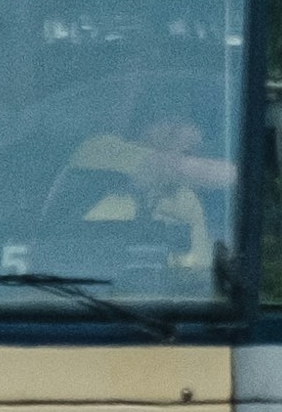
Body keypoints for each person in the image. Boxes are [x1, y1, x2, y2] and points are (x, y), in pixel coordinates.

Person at [44, 96, 234, 287]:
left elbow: (198, 275)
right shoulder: (100, 150)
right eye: (173, 125)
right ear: (141, 125)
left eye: (191, 125)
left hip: (150, 305)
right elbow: (175, 168)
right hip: (69, 290)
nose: (191, 134)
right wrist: (250, 172)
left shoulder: (186, 199)